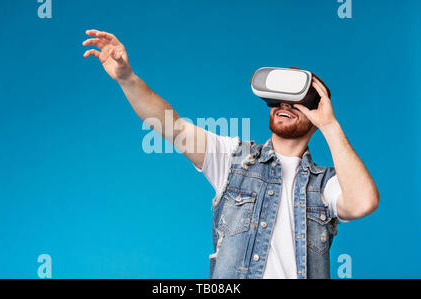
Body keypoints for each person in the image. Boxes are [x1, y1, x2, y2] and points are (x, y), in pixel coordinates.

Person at [82, 29, 379, 279]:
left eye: (298, 101)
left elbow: (364, 202)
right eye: (279, 98)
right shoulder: (234, 159)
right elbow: (173, 127)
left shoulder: (325, 185)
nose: (285, 105)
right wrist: (127, 78)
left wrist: (329, 126)